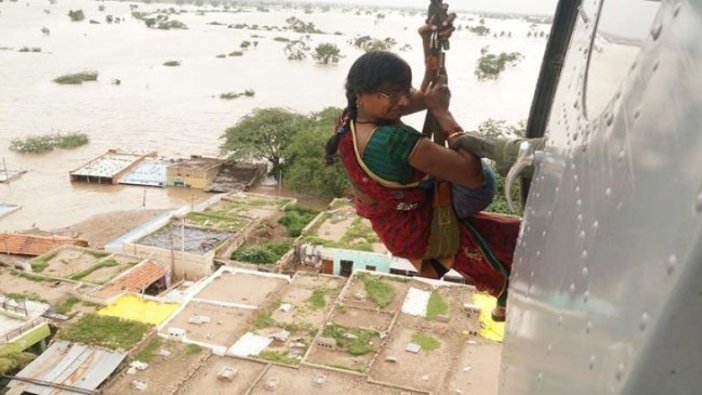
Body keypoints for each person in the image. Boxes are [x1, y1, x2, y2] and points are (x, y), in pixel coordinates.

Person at [325, 24, 522, 321]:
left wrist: (428, 47)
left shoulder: (350, 119)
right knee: (486, 183)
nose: (403, 101)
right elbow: (472, 177)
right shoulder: (393, 142)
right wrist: (444, 115)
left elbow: (419, 99)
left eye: (404, 91)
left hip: (396, 227)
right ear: (362, 93)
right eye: (393, 94)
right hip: (421, 224)